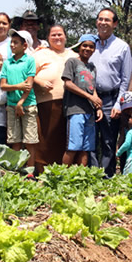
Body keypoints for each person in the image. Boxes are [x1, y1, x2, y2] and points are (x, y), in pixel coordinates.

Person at [89, 8, 132, 177]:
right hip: (89, 98)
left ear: (114, 24)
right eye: (100, 19)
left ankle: (107, 177)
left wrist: (118, 104)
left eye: (107, 20)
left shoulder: (122, 47)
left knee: (108, 141)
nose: (103, 23)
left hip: (110, 99)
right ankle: (92, 175)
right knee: (90, 139)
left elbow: (125, 78)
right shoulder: (89, 44)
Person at [32, 24, 77, 171]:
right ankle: (43, 170)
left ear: (65, 36)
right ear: (48, 38)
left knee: (65, 138)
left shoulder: (73, 55)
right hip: (46, 103)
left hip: (70, 103)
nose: (57, 37)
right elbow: (28, 74)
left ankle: (64, 171)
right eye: (53, 35)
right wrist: (39, 81)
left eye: (60, 34)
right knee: (46, 139)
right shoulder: (39, 54)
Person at [61, 34, 103, 167]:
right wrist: (89, 97)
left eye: (91, 47)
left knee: (86, 148)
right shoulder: (72, 62)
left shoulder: (92, 67)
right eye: (85, 45)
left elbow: (92, 88)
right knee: (73, 146)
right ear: (79, 47)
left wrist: (98, 106)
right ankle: (62, 177)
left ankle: (80, 177)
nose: (87, 49)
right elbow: (68, 84)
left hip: (89, 111)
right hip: (75, 109)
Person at [0, 29, 38, 172]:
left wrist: (20, 103)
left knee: (30, 140)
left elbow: (29, 85)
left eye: (16, 43)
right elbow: (3, 86)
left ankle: (30, 171)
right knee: (14, 139)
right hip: (11, 106)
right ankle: (16, 169)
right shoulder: (7, 63)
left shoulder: (29, 61)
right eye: (11, 42)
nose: (12, 45)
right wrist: (18, 86)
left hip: (28, 105)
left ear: (24, 46)